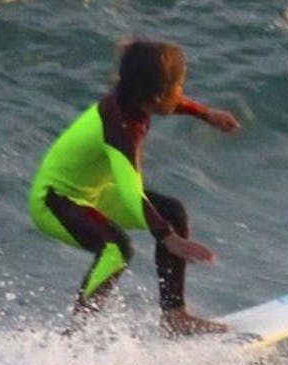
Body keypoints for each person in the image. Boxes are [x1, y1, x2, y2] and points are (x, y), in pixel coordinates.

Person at [29, 38, 241, 335]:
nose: (181, 92)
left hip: (94, 193)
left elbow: (170, 101)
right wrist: (168, 238)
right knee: (116, 247)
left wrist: (207, 114)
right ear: (156, 97)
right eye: (178, 86)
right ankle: (74, 336)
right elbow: (131, 190)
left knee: (171, 211)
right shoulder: (121, 129)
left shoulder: (130, 98)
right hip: (54, 201)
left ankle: (174, 317)